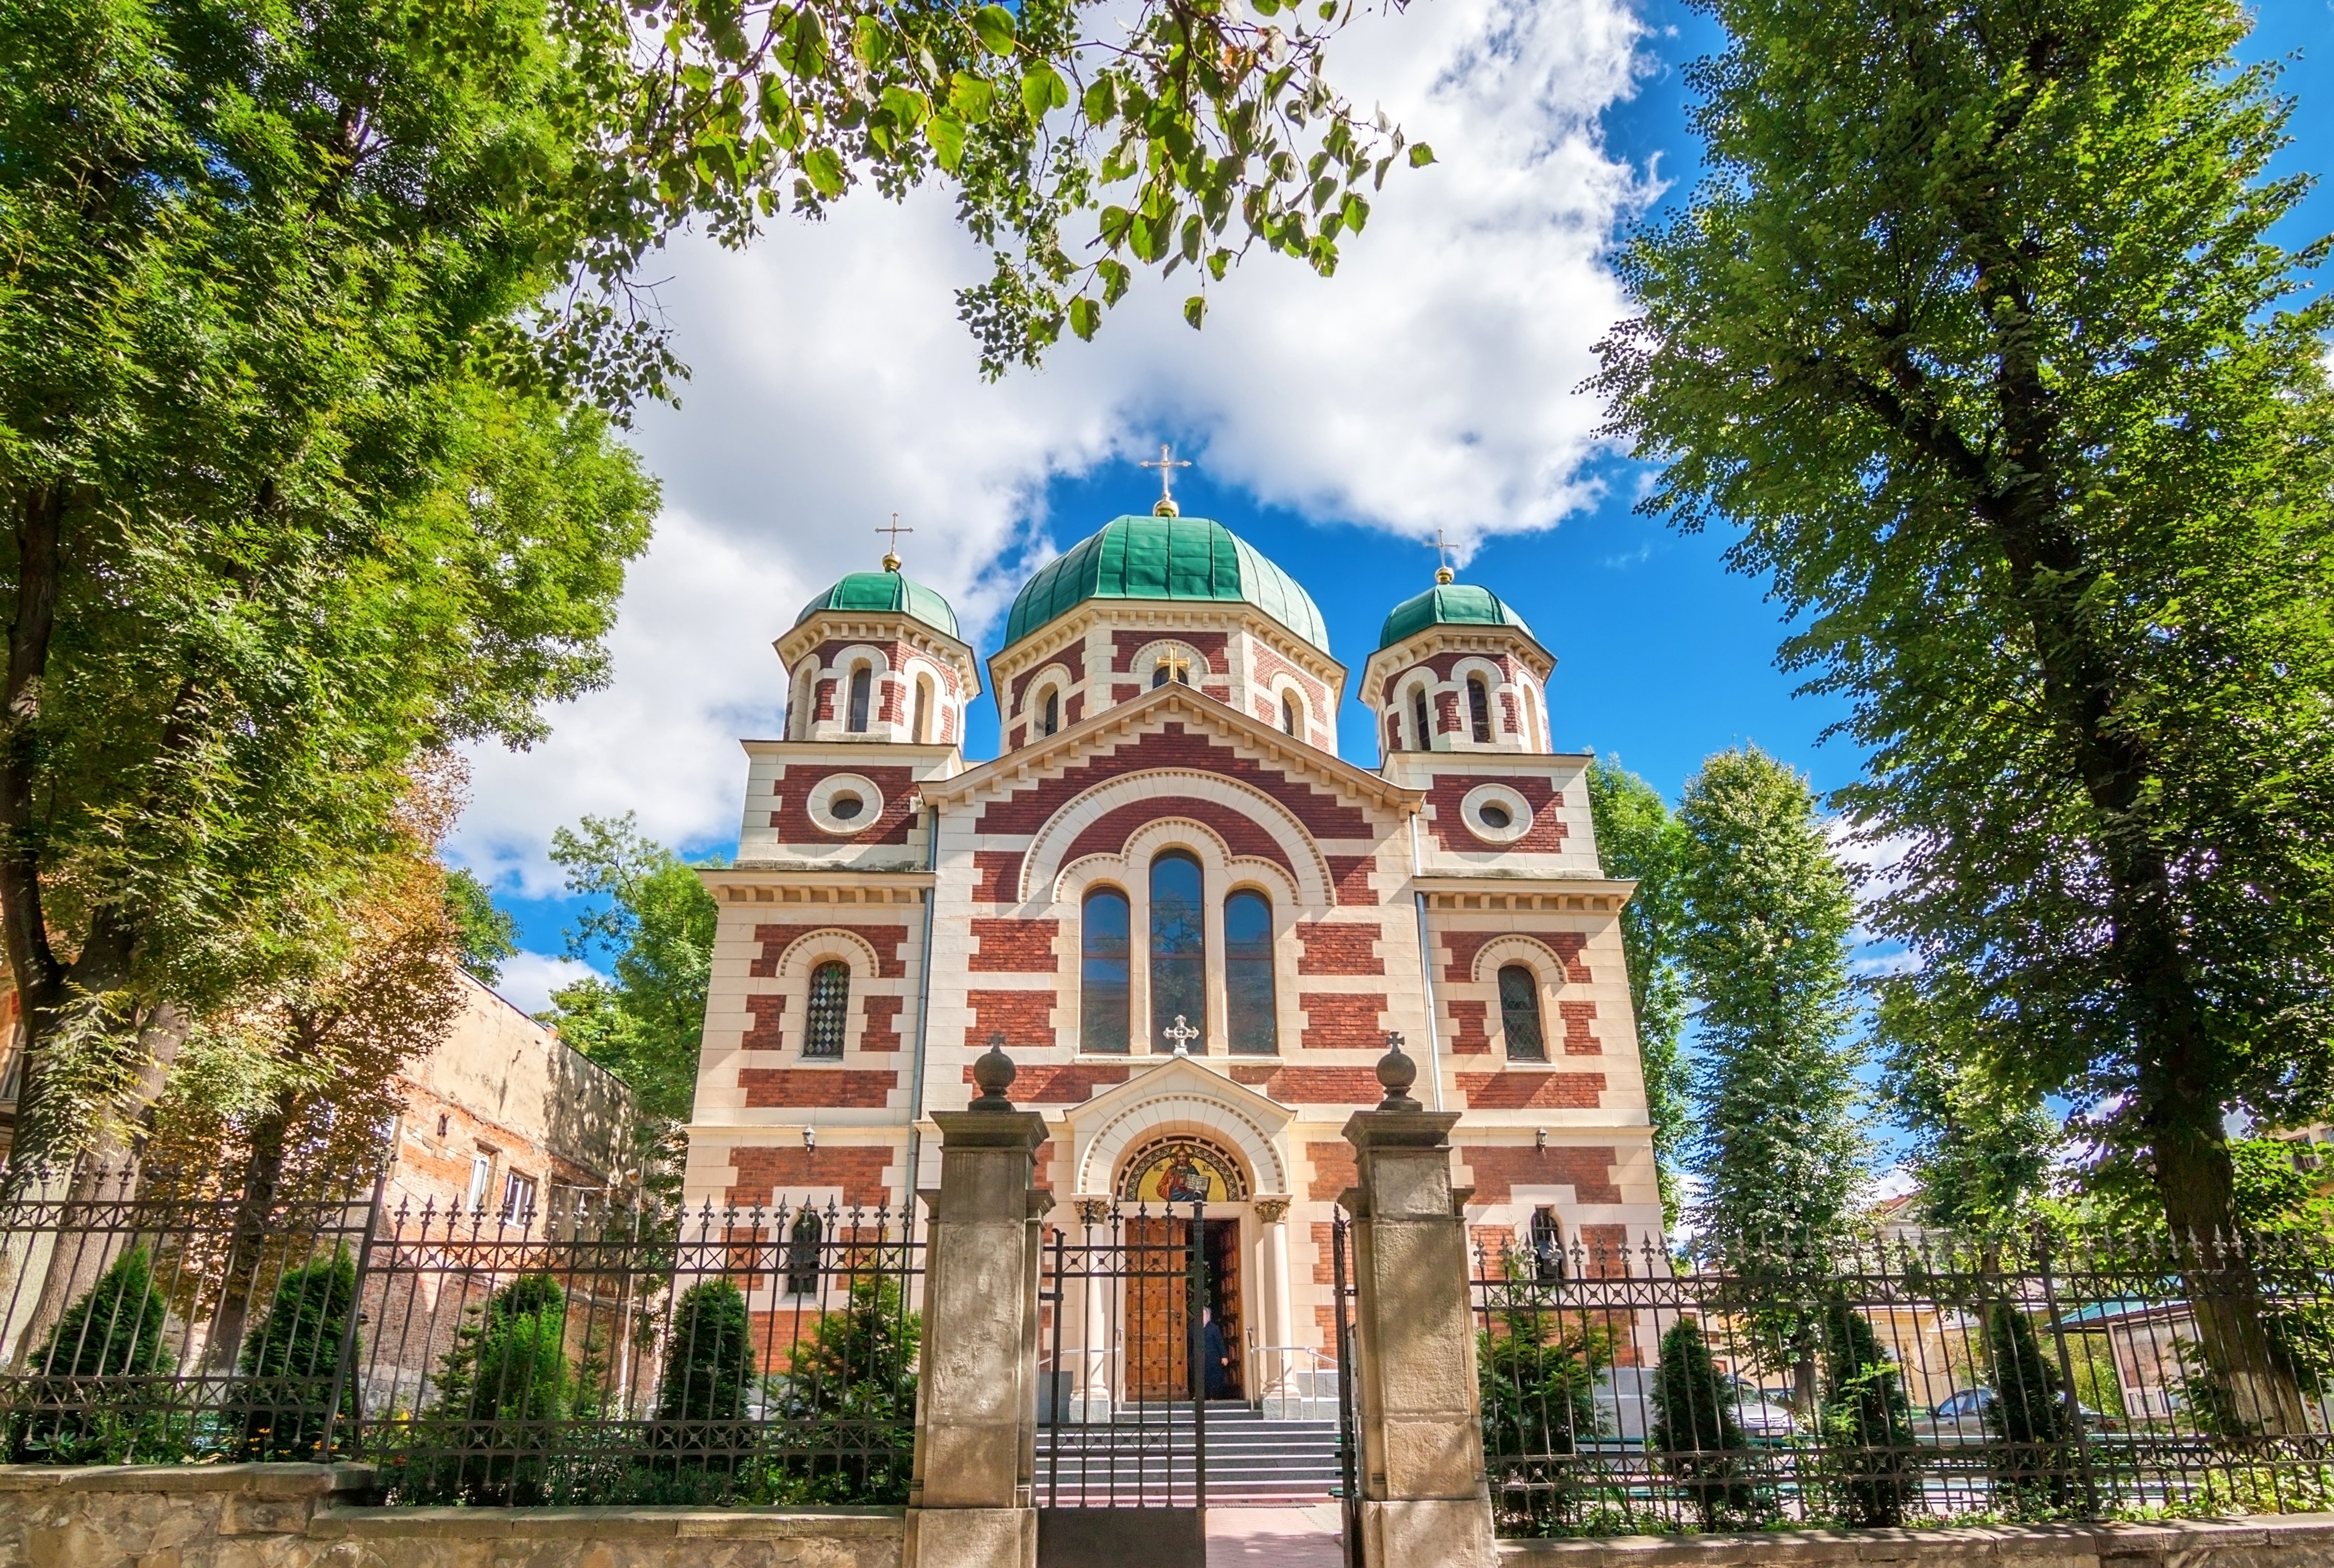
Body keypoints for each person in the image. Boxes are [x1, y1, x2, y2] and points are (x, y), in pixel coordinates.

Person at [1201, 1307, 1233, 1401]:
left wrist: (1224, 1356)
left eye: (1203, 1315)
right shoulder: (1193, 1327)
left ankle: (1214, 1396)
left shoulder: (1214, 1328)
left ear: (1208, 1316)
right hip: (1199, 1358)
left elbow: (1220, 1343)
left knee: (1214, 1378)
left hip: (1212, 1358)